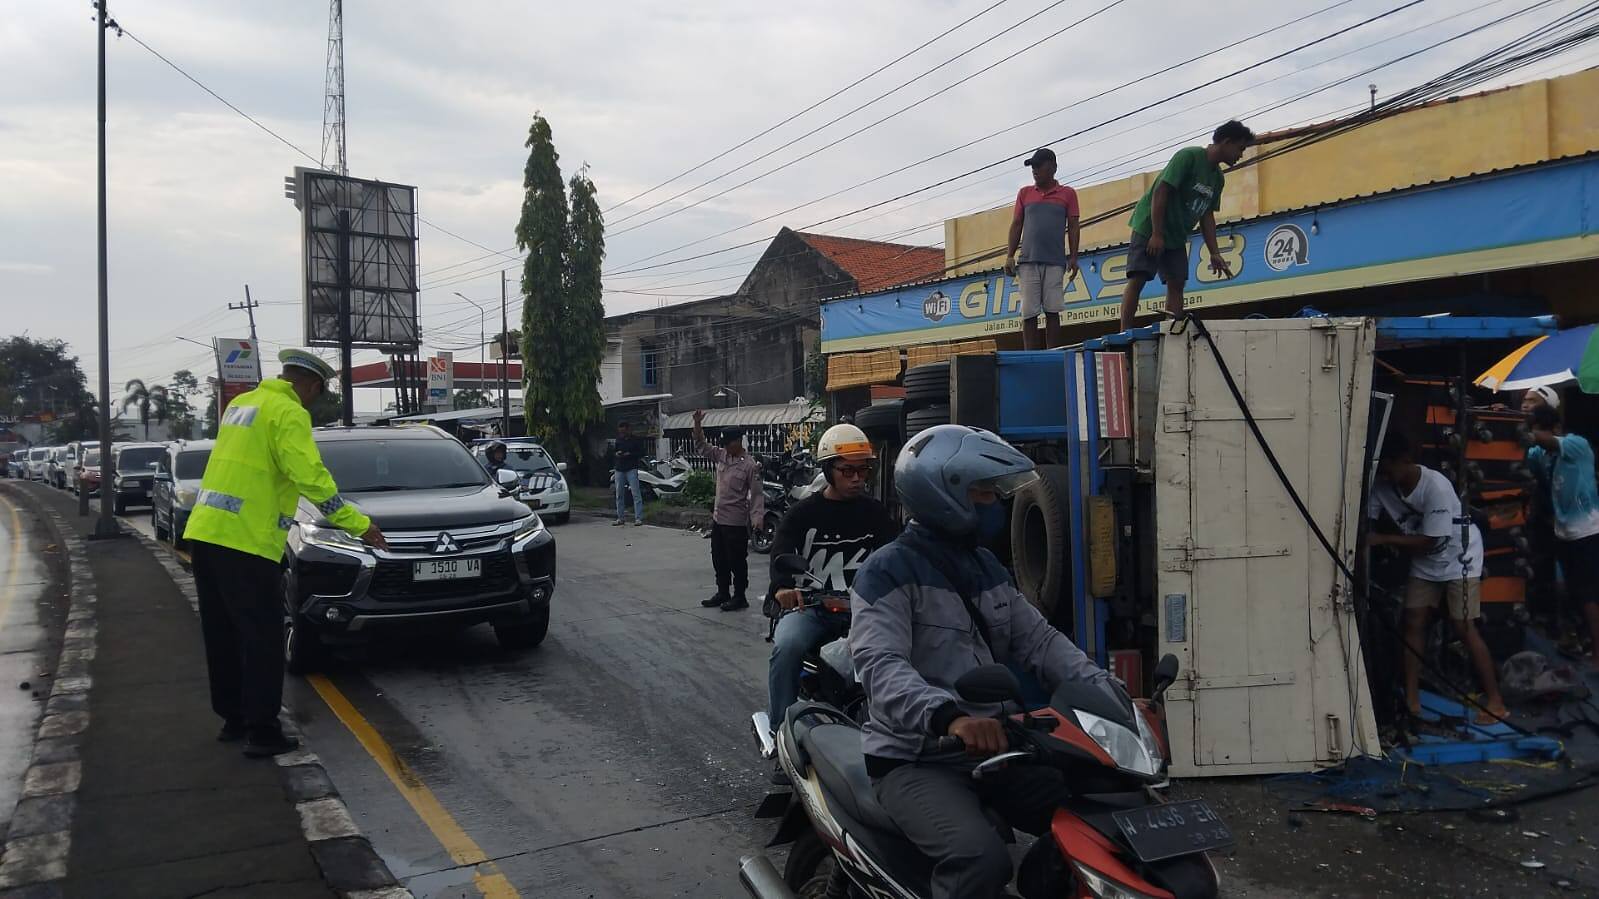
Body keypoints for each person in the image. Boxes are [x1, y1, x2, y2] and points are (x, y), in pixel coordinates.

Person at [849, 424, 1117, 899]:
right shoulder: (888, 570)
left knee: (1098, 822)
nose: (994, 503)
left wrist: (1112, 696)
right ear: (942, 493)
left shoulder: (986, 567)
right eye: (982, 491)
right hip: (916, 759)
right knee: (980, 858)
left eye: (994, 491)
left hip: (996, 749)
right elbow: (879, 664)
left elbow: (1041, 642)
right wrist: (948, 717)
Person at [184, 350, 387, 757]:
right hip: (246, 541)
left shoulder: (241, 405)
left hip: (205, 532)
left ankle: (233, 718)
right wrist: (359, 525)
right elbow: (310, 476)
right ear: (310, 385)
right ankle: (262, 730)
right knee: (261, 638)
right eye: (318, 391)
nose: (314, 399)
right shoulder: (289, 412)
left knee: (221, 634)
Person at [765, 424, 898, 737]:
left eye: (862, 471)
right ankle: (781, 734)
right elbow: (781, 551)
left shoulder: (875, 513)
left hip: (865, 609)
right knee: (787, 647)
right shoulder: (802, 513)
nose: (856, 479)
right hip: (811, 607)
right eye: (847, 471)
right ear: (828, 470)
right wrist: (783, 587)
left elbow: (898, 553)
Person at [1366, 431, 1506, 723]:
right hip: (1424, 560)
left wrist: (1382, 539)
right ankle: (1412, 699)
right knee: (1413, 621)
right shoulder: (1382, 484)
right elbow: (1369, 522)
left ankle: (1496, 702)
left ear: (1404, 461)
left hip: (1459, 554)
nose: (1386, 473)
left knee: (1463, 626)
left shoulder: (1436, 488)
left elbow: (1431, 540)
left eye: (1389, 467)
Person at [1118, 120, 1254, 331]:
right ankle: (1124, 332)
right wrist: (1156, 233)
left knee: (1177, 282)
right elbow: (1160, 192)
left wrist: (1215, 252)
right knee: (1138, 278)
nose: (1240, 154)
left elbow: (1207, 215)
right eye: (1240, 148)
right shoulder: (1189, 156)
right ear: (1226, 142)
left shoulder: (1217, 178)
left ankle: (1171, 331)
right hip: (1150, 227)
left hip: (1176, 235)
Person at [1525, 400, 1599, 661]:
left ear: (1557, 427)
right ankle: (1576, 640)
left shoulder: (1577, 445)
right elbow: (1527, 452)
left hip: (1587, 530)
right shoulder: (1541, 455)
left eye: (1544, 430)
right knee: (1566, 591)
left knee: (1588, 593)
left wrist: (1522, 428)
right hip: (1562, 531)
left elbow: (1545, 441)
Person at [1004, 147, 1080, 351]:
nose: (1035, 170)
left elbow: (1073, 226)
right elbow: (1017, 223)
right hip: (1028, 262)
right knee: (1029, 312)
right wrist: (1010, 256)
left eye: (1039, 166)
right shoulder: (1025, 193)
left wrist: (1073, 257)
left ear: (1053, 167)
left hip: (1055, 262)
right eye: (1033, 167)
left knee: (1053, 310)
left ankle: (1052, 354)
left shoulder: (1068, 194)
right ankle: (1031, 356)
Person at [693, 410, 764, 611]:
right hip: (719, 519)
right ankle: (722, 592)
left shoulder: (750, 466)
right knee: (719, 559)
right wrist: (697, 424)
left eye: (728, 443)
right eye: (723, 443)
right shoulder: (722, 455)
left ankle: (740, 596)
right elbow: (701, 446)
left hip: (736, 522)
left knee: (737, 561)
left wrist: (757, 518)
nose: (725, 447)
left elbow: (757, 494)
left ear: (738, 442)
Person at [612, 421, 647, 527]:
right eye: (620, 432)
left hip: (631, 468)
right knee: (619, 494)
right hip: (619, 468)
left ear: (628, 429)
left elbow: (642, 453)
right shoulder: (619, 439)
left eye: (624, 431)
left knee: (635, 493)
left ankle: (638, 518)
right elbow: (615, 451)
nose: (622, 433)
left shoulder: (635, 440)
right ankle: (620, 517)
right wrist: (617, 453)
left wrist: (630, 454)